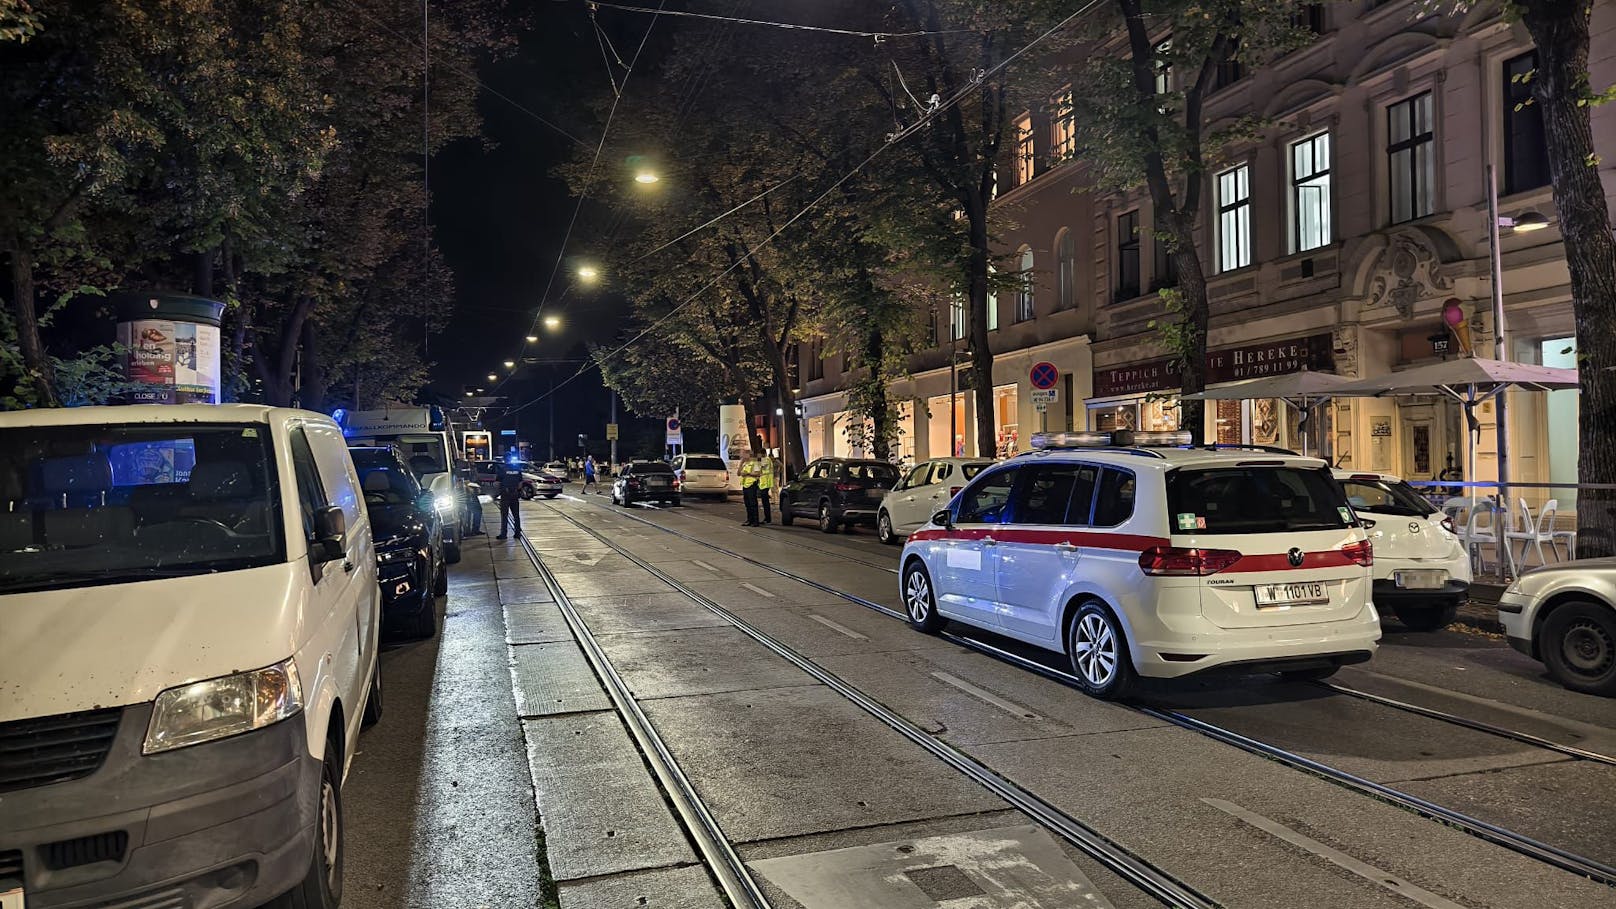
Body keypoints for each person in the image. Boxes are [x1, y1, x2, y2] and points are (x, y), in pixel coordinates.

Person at [495, 459, 524, 539]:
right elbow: (520, 482)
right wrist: (517, 490)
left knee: (504, 515)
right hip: (514, 494)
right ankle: (517, 533)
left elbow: (497, 483)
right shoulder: (517, 469)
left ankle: (504, 534)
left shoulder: (502, 469)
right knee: (516, 514)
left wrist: (499, 491)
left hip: (505, 494)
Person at [739, 444, 764, 526]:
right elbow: (738, 473)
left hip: (751, 485)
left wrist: (748, 473)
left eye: (743, 454)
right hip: (745, 485)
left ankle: (755, 521)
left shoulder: (755, 463)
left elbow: (758, 473)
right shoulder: (744, 463)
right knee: (747, 504)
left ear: (748, 454)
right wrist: (741, 464)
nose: (741, 456)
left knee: (753, 503)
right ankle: (749, 520)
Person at [757, 446, 777, 525]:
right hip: (764, 483)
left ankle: (767, 519)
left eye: (760, 454)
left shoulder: (766, 460)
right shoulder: (767, 460)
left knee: (765, 502)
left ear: (763, 454)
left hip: (765, 483)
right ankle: (767, 518)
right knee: (765, 502)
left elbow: (758, 468)